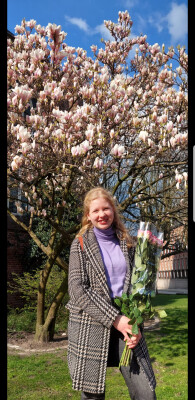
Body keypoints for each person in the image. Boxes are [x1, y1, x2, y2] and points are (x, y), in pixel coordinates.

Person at [66, 187, 157, 400]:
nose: (102, 215)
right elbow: (77, 289)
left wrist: (137, 324)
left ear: (113, 210)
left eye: (106, 209)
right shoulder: (79, 245)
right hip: (91, 324)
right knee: (92, 396)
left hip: (128, 321)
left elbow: (140, 286)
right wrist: (115, 319)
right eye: (95, 210)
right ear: (88, 215)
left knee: (146, 393)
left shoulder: (129, 243)